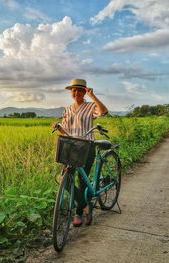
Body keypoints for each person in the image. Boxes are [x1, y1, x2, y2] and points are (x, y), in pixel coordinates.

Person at [53, 78, 108, 227]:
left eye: (79, 90)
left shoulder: (90, 106)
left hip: (86, 146)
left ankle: (78, 213)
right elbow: (66, 130)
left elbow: (103, 112)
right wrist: (58, 127)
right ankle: (86, 206)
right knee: (64, 178)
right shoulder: (68, 109)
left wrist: (93, 96)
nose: (76, 92)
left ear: (84, 92)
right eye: (74, 90)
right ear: (71, 92)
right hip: (70, 146)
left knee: (82, 181)